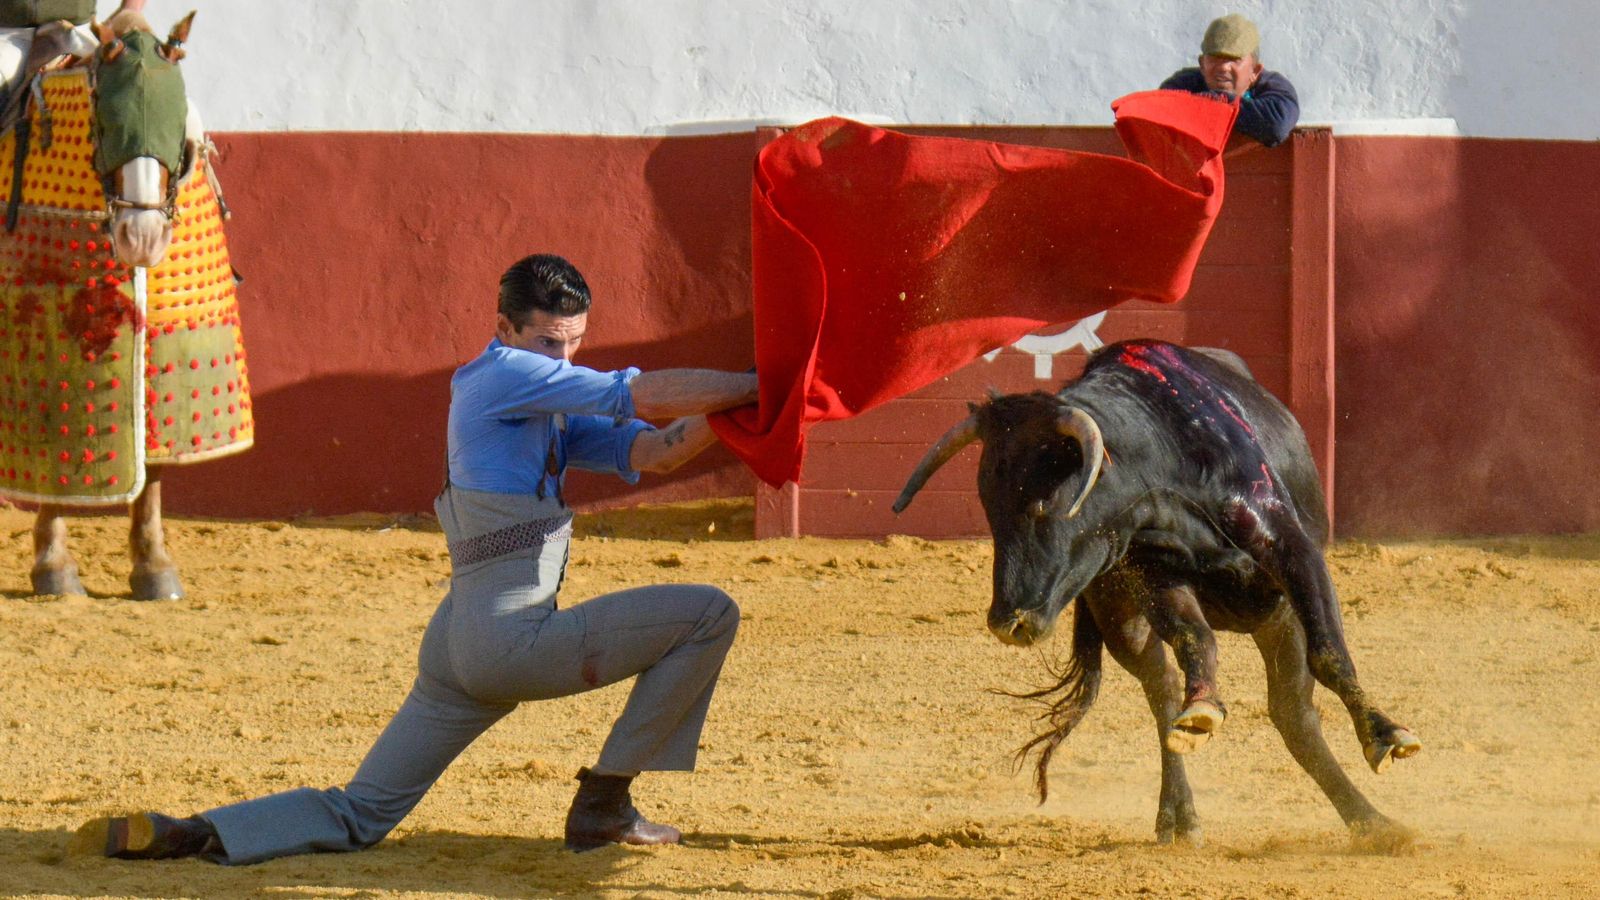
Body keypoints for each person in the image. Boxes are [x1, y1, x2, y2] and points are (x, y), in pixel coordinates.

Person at [73, 253, 761, 862]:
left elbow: (654, 449)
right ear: (505, 330)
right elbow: (635, 393)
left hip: (458, 641)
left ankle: (189, 834)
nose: (562, 362)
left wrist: (754, 403)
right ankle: (605, 803)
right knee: (708, 615)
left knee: (362, 812)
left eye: (575, 345)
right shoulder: (502, 380)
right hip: (504, 640)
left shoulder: (540, 399)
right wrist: (757, 382)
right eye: (549, 344)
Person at [1159, 13, 1299, 148]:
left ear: (1255, 71)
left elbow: (1276, 126)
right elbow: (1160, 112)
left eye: (1234, 60)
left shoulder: (1274, 87)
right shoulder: (1184, 83)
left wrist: (1213, 102)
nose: (1223, 67)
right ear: (1202, 64)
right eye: (1214, 58)